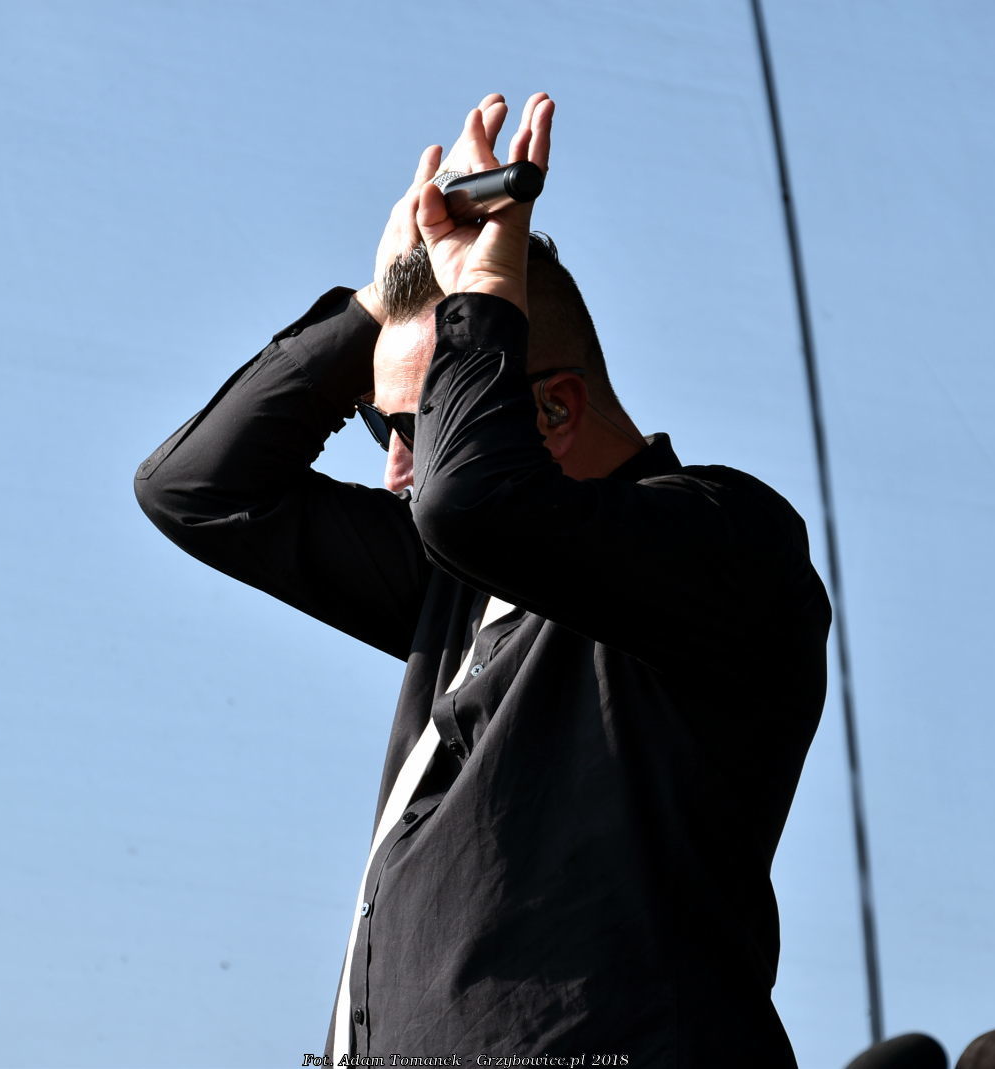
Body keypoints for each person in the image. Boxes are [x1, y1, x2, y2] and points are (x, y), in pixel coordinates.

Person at [134, 92, 831, 1065]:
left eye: (414, 424)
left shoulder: (728, 537)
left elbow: (468, 501)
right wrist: (379, 300)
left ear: (554, 412)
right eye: (378, 426)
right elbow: (195, 491)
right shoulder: (456, 580)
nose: (393, 469)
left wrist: (487, 286)